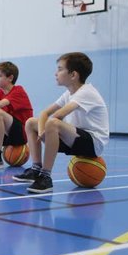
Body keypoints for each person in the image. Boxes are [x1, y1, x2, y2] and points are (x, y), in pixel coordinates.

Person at [13, 52, 109, 194]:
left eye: (60, 69)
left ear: (73, 75)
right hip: (75, 138)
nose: (55, 73)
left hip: (93, 143)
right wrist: (40, 132)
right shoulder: (68, 94)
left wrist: (46, 130)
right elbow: (45, 113)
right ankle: (36, 169)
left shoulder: (86, 92)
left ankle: (46, 177)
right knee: (31, 122)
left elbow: (58, 115)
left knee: (53, 123)